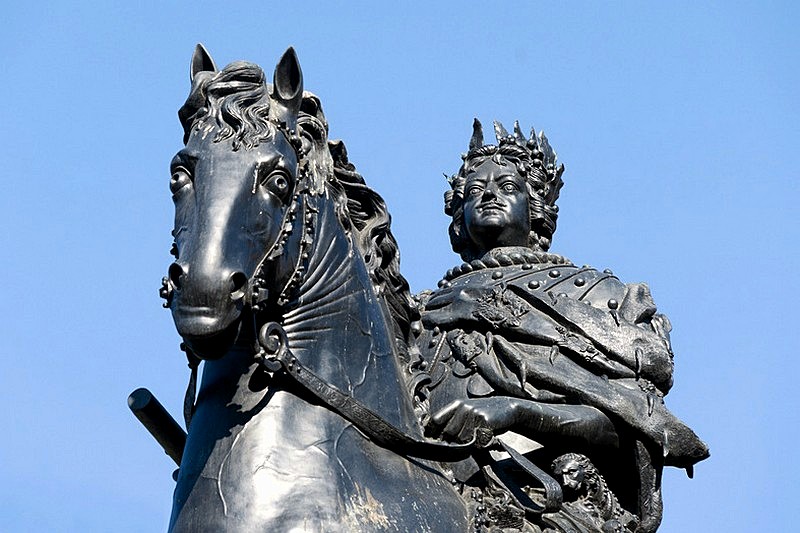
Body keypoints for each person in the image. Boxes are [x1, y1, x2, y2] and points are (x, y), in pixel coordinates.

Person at [412, 119, 708, 532]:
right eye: (475, 190)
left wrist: (514, 411)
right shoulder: (426, 309)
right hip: (425, 489)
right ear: (459, 214)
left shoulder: (592, 294)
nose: (489, 194)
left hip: (541, 501)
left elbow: (630, 427)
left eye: (508, 186)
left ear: (536, 209)